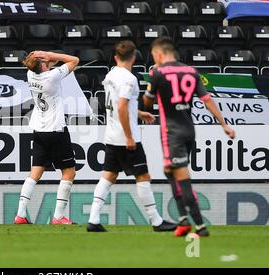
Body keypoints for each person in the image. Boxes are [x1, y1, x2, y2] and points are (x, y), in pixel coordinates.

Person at [143, 37, 235, 237]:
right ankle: (183, 219)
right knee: (169, 170)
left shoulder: (157, 73)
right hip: (188, 130)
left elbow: (147, 104)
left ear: (159, 54)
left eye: (153, 55)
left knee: (182, 178)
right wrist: (224, 124)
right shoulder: (191, 71)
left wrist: (151, 88)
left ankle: (200, 227)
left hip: (171, 133)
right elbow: (207, 100)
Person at [87, 40, 176, 232]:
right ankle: (156, 221)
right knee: (143, 176)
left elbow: (120, 105)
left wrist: (139, 113)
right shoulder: (129, 79)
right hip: (125, 137)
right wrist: (128, 137)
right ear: (134, 57)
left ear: (115, 57)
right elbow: (121, 107)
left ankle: (93, 220)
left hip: (111, 135)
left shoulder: (110, 75)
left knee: (108, 175)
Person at [14, 51, 80, 225]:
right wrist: (50, 54)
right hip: (56, 129)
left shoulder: (30, 74)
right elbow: (74, 59)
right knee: (68, 172)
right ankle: (58, 217)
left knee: (35, 171)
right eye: (45, 62)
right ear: (43, 65)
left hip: (38, 128)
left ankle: (20, 214)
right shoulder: (51, 78)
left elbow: (51, 65)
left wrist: (47, 58)